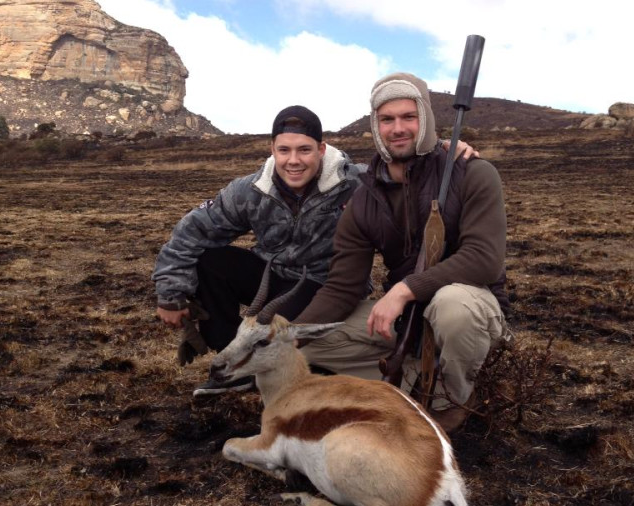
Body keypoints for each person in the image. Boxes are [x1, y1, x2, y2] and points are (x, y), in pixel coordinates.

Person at [152, 104, 477, 394]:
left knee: (294, 344)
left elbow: (408, 174)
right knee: (210, 262)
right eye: (285, 150)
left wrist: (439, 152)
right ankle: (234, 367)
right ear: (273, 150)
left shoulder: (356, 182)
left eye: (304, 150)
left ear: (321, 149)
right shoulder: (248, 190)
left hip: (327, 289)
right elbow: (190, 233)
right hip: (272, 278)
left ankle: (286, 365)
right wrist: (170, 293)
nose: (294, 160)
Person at [294, 73, 511, 433]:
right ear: (375, 125)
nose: (398, 128)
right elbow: (341, 288)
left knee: (452, 306)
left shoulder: (473, 172)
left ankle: (451, 401)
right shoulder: (365, 198)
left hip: (472, 309)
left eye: (409, 117)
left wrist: (404, 289)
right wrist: (283, 338)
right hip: (408, 319)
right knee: (306, 349)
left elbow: (484, 259)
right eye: (387, 119)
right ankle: (414, 375)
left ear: (425, 120)